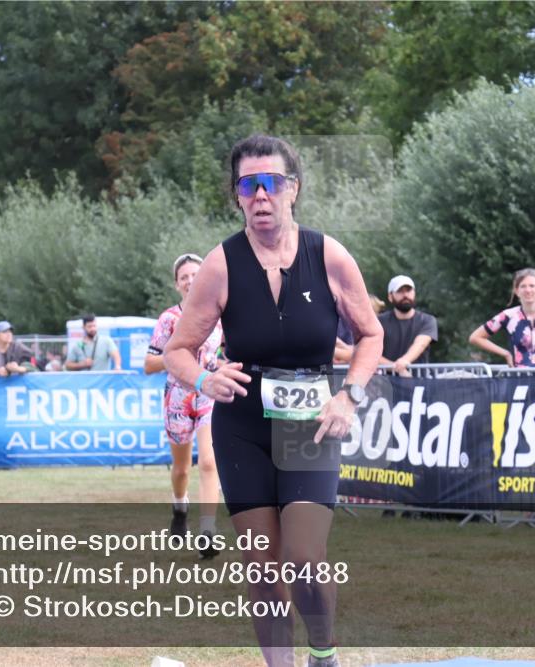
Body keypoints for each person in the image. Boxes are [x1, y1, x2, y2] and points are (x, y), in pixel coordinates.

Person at [163, 135, 383, 667]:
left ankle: (323, 653)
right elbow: (178, 350)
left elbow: (371, 336)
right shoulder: (220, 264)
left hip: (311, 424)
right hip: (243, 427)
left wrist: (348, 398)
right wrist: (203, 379)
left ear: (293, 189)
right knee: (262, 566)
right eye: (248, 185)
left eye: (272, 183)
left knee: (306, 559)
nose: (261, 195)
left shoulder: (328, 254)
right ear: (237, 195)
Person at [145, 252, 224, 558]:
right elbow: (149, 364)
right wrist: (177, 356)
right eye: (184, 278)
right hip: (177, 396)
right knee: (181, 469)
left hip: (208, 394)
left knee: (209, 461)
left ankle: (207, 531)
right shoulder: (169, 319)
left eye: (195, 275)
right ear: (177, 285)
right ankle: (180, 508)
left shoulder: (219, 313)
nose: (191, 281)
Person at [378, 275, 438, 376]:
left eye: (409, 290)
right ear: (390, 296)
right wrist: (398, 368)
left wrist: (404, 361)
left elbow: (420, 344)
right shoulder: (379, 322)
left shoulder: (427, 320)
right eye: (400, 291)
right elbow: (369, 353)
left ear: (414, 293)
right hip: (386, 385)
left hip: (418, 382)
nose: (405, 295)